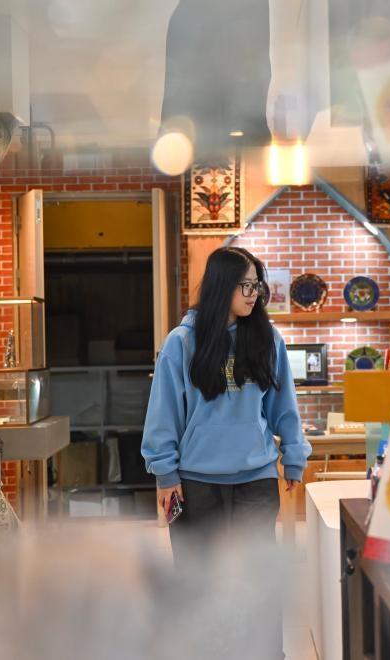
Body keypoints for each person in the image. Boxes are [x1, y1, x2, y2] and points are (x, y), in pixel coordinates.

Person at [140, 246, 311, 659]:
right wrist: (165, 474)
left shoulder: (266, 338)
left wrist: (294, 454)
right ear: (222, 286)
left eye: (257, 286)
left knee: (258, 583)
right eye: (245, 285)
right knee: (199, 584)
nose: (254, 294)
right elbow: (163, 413)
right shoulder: (182, 342)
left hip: (256, 480)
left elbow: (284, 406)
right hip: (196, 483)